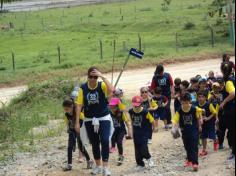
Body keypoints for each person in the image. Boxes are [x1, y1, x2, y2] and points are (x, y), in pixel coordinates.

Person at [75, 67, 114, 176]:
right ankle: (98, 166)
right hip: (89, 119)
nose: (93, 79)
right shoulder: (83, 88)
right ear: (87, 77)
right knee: (95, 143)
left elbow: (112, 90)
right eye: (91, 77)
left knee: (105, 140)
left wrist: (102, 76)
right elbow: (79, 105)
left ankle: (105, 167)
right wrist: (77, 122)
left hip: (103, 117)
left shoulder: (101, 85)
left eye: (95, 77)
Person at [172, 93, 202, 172]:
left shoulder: (194, 109)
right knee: (187, 146)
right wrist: (174, 127)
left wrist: (199, 126)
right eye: (184, 102)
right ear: (181, 102)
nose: (185, 104)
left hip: (194, 130)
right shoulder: (179, 110)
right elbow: (175, 119)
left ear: (190, 101)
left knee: (194, 146)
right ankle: (189, 160)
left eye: (187, 102)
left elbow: (198, 116)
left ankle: (195, 163)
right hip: (184, 131)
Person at [62, 98, 94, 171]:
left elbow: (85, 122)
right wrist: (68, 128)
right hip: (72, 131)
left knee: (81, 147)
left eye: (67, 109)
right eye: (64, 109)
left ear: (72, 107)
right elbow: (67, 122)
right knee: (70, 147)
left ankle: (89, 160)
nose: (66, 110)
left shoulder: (79, 113)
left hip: (80, 131)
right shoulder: (66, 114)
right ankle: (69, 164)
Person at [129, 96, 155, 170]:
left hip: (144, 132)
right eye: (135, 105)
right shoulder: (131, 111)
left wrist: (154, 128)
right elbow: (131, 121)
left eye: (138, 105)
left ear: (141, 104)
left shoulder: (145, 111)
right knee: (137, 148)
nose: (136, 107)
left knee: (143, 147)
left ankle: (149, 158)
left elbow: (152, 120)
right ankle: (140, 164)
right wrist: (130, 131)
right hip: (136, 132)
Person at [109, 98, 132, 166]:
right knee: (113, 141)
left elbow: (127, 122)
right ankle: (113, 147)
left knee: (119, 142)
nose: (112, 108)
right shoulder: (108, 112)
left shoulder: (121, 113)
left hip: (121, 130)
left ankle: (120, 156)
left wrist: (129, 132)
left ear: (117, 106)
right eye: (111, 107)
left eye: (114, 107)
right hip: (112, 131)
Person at [151, 64, 174, 128]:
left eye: (161, 73)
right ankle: (161, 123)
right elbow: (152, 88)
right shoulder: (155, 77)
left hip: (167, 95)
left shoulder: (167, 75)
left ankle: (169, 122)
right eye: (159, 73)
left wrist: (172, 92)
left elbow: (172, 84)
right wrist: (155, 95)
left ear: (163, 70)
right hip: (159, 96)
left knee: (167, 108)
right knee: (159, 109)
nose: (160, 74)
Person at [220, 62, 235, 162]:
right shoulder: (231, 79)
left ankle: (234, 154)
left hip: (231, 109)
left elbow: (233, 93)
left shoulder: (228, 81)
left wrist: (224, 102)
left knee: (232, 131)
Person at [196, 91, 218, 156]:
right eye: (199, 97)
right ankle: (204, 149)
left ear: (206, 98)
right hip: (202, 123)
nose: (200, 98)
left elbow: (214, 112)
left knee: (212, 135)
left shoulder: (209, 104)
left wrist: (208, 118)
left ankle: (216, 141)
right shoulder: (196, 105)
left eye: (202, 97)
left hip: (210, 122)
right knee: (203, 136)